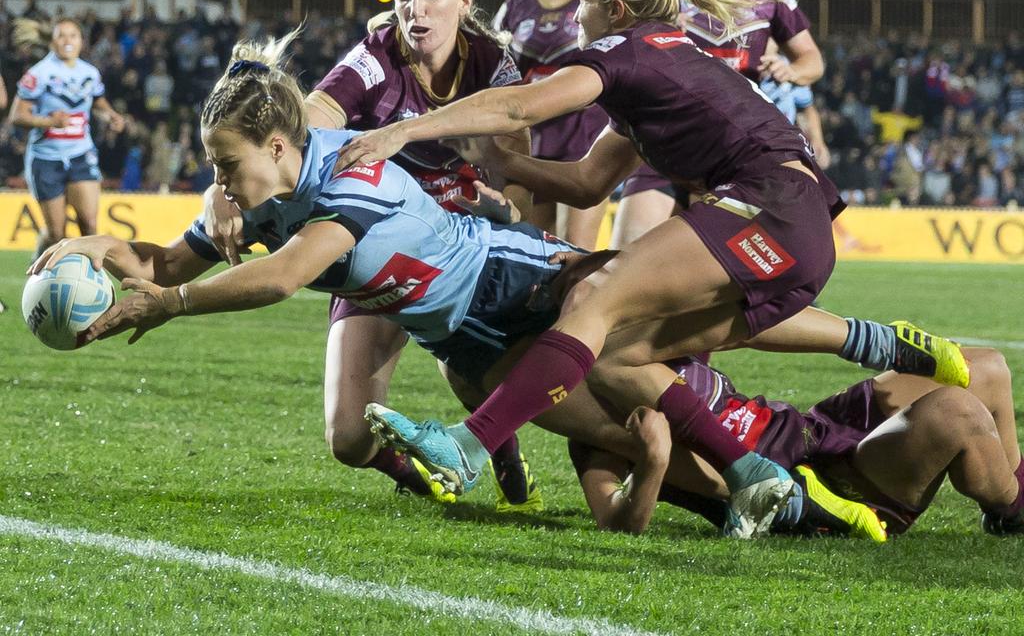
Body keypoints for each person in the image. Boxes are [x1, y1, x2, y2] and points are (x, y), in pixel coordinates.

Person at [35, 31, 808, 537]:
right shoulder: (262, 197)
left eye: (224, 165)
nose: (216, 182)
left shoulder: (348, 175)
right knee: (625, 437)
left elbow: (285, 279)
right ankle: (749, 493)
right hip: (464, 342)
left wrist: (168, 306)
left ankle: (800, 477)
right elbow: (167, 263)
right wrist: (96, 244)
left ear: (277, 146)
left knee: (682, 344)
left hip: (519, 291)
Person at [335, 0, 969, 514]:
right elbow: (587, 181)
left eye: (582, 3)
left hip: (768, 206)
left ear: (613, 8)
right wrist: (508, 165)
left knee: (593, 295)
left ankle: (469, 447)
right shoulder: (664, 64)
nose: (572, 20)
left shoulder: (622, 49)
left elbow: (517, 104)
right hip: (795, 232)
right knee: (622, 346)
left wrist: (405, 130)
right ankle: (761, 470)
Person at [202, 0, 543, 511]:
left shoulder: (493, 64)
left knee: (470, 368)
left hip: (454, 246)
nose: (415, 8)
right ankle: (426, 481)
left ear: (464, 0)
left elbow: (519, 167)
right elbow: (298, 125)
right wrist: (219, 186)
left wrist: (507, 206)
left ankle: (503, 454)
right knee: (347, 437)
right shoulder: (375, 57)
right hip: (365, 243)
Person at [572, 347, 1024, 540]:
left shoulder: (641, 346)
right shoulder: (595, 418)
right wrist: (653, 460)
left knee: (982, 367)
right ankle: (1013, 504)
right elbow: (615, 520)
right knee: (958, 414)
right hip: (818, 486)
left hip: (813, 430)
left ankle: (1009, 510)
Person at [612, 0, 825, 248]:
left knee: (710, 279)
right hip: (663, 139)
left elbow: (812, 60)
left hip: (732, 150)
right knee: (622, 257)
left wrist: (791, 70)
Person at [492, 0, 611, 248]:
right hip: (530, 151)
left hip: (584, 150)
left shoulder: (593, 5)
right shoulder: (514, 9)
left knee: (573, 254)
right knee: (533, 253)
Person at [9, 18, 125, 259]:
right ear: (52, 42)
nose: (68, 41)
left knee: (90, 226)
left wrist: (111, 116)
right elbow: (17, 116)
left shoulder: (90, 73)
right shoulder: (39, 74)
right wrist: (48, 122)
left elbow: (97, 102)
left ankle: (91, 287)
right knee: (56, 234)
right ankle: (38, 271)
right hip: (46, 158)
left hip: (81, 154)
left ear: (81, 41)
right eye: (62, 36)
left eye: (73, 36)